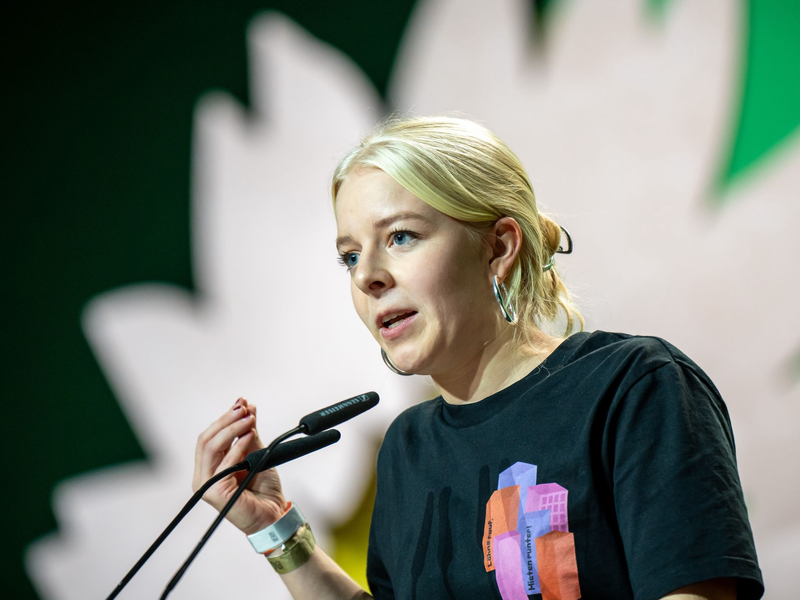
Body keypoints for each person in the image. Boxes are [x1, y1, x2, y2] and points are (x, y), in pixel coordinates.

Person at [192, 116, 763, 600]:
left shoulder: (633, 388)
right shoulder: (407, 448)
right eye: (350, 256)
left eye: (401, 237)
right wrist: (277, 530)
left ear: (500, 246)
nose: (367, 276)